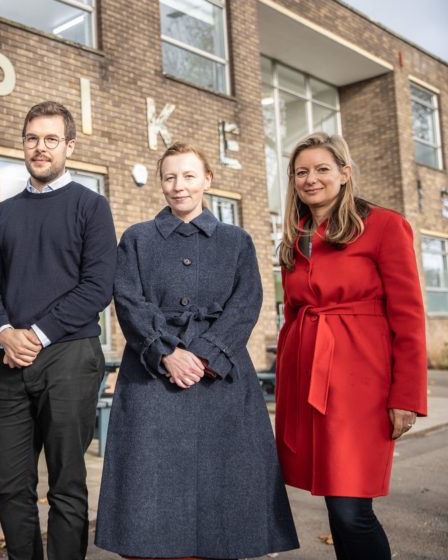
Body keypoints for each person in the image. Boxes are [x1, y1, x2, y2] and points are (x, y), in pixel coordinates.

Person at [95, 142, 299, 560]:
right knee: (150, 494)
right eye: (169, 177)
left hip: (220, 383)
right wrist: (165, 351)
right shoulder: (137, 238)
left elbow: (248, 302)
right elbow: (127, 299)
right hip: (152, 381)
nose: (178, 186)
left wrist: (205, 355)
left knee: (222, 498)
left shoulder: (236, 240)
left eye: (188, 176)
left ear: (207, 179)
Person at [275, 132, 427, 560]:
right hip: (309, 383)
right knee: (333, 503)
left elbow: (409, 316)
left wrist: (407, 396)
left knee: (350, 507)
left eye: (322, 169)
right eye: (301, 171)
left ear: (344, 173)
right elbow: (291, 317)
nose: (311, 179)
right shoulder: (295, 236)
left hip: (362, 384)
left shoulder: (383, 225)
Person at [0, 101, 117, 560]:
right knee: (10, 484)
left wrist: (36, 333)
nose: (40, 148)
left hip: (69, 356)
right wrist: (3, 331)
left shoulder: (91, 207)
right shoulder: (3, 214)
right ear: (23, 144)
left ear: (69, 147)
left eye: (51, 139)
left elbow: (98, 286)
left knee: (66, 482)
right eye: (32, 138)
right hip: (9, 360)